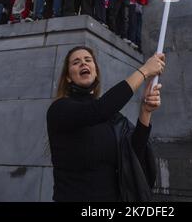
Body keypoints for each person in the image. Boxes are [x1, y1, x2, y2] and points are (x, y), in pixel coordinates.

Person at [47, 46, 165, 202]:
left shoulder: (112, 117)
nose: (83, 63)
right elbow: (98, 110)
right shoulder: (60, 109)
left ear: (95, 71)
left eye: (88, 60)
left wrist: (145, 111)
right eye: (76, 62)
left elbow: (133, 150)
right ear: (68, 77)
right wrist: (144, 71)